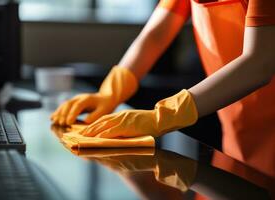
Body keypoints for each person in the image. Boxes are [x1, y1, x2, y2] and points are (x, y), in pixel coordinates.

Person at [51, 0, 275, 178]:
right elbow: (155, 35)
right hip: (237, 131)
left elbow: (259, 63)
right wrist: (110, 92)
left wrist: (162, 116)